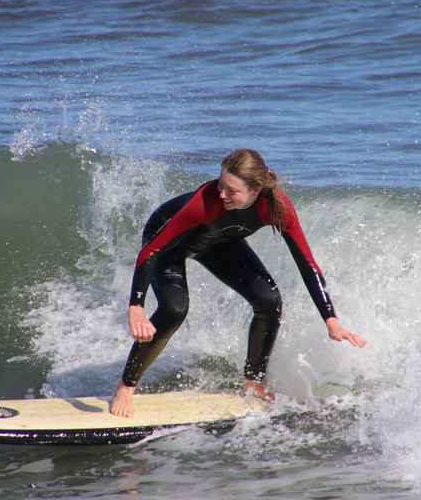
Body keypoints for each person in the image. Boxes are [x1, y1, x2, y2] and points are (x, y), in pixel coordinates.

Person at [110, 149, 366, 417]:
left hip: (218, 244)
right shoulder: (205, 201)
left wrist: (331, 320)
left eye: (231, 190)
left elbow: (307, 264)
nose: (222, 194)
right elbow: (152, 250)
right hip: (167, 244)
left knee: (269, 301)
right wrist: (136, 308)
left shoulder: (277, 208)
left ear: (256, 190)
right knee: (174, 309)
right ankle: (126, 387)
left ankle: (254, 382)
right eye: (220, 184)